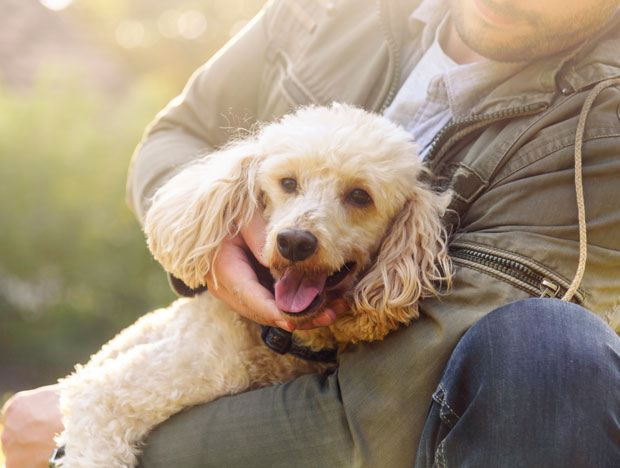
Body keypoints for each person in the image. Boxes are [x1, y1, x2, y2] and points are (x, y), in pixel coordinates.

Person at [3, 0, 620, 466]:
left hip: (405, 431)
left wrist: (87, 436)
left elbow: (382, 408)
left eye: (358, 198)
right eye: (288, 185)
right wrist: (219, 244)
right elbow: (180, 133)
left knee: (551, 345)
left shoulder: (601, 124)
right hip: (213, 351)